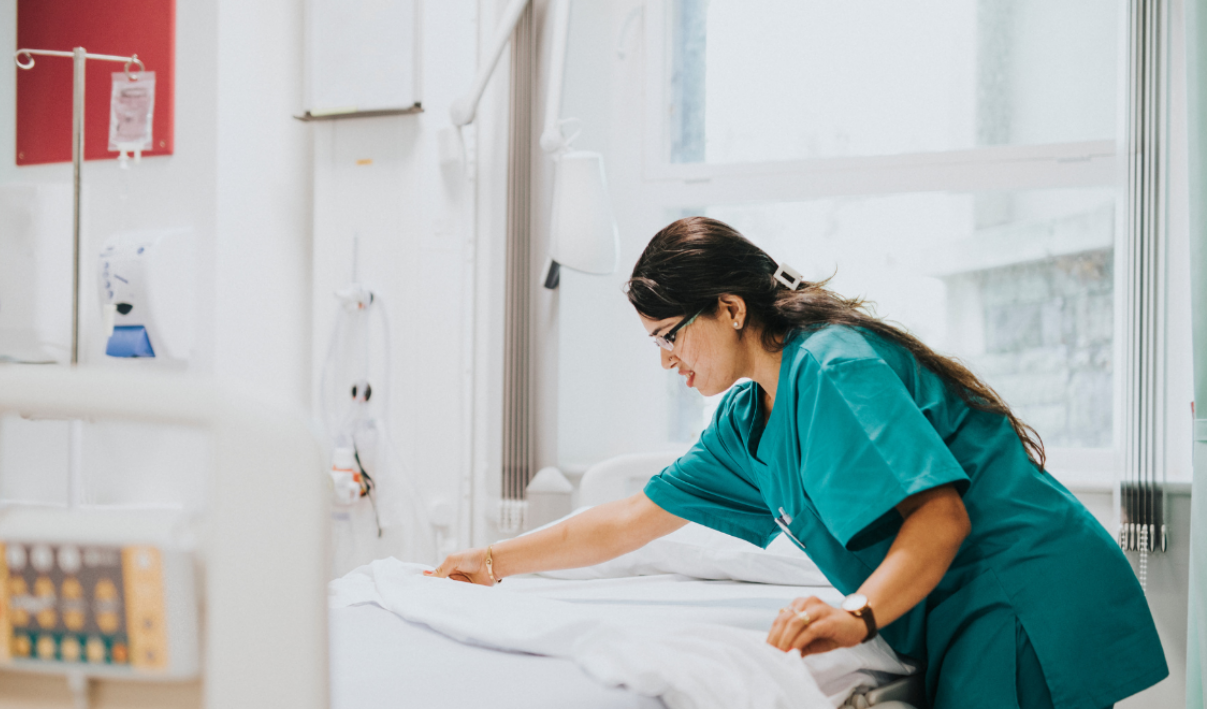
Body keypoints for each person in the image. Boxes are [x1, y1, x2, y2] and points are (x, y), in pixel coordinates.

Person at [429, 217, 1168, 709]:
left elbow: (941, 516)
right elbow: (631, 516)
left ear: (729, 308)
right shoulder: (747, 419)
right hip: (959, 607)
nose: (666, 361)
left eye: (670, 336)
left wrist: (854, 612)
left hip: (1020, 590)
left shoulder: (831, 368)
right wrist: (492, 558)